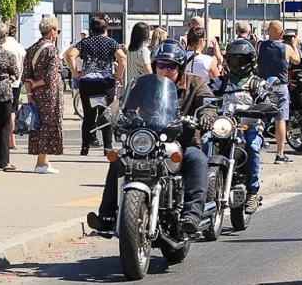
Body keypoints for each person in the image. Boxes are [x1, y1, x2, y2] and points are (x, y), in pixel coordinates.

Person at [87, 42, 213, 239]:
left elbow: (207, 101)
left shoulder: (195, 83)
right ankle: (107, 217)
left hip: (182, 142)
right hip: (147, 141)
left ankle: (191, 216)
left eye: (171, 66)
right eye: (161, 65)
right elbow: (123, 102)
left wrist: (206, 115)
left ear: (179, 67)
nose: (165, 70)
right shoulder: (143, 84)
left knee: (198, 160)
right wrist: (109, 113)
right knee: (118, 160)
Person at [206, 36, 269, 207]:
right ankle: (200, 186)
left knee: (253, 146)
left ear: (250, 61)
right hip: (224, 127)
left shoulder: (256, 83)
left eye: (241, 59)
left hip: (248, 127)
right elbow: (205, 95)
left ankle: (253, 193)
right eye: (233, 59)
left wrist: (264, 108)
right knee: (204, 141)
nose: (237, 63)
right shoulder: (220, 82)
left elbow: (269, 101)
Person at [67, 15, 127, 154]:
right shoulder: (111, 43)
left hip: (87, 83)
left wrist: (75, 73)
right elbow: (122, 58)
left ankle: (85, 146)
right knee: (106, 114)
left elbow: (70, 55)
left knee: (88, 115)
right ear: (105, 28)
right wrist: (118, 75)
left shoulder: (84, 43)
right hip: (106, 83)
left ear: (91, 29)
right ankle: (107, 147)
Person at [22, 15, 65, 173]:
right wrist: (38, 83)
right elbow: (51, 76)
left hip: (36, 94)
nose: (57, 33)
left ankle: (45, 161)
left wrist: (30, 94)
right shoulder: (52, 50)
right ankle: (41, 163)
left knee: (38, 125)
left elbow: (26, 75)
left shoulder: (32, 48)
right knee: (49, 124)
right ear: (52, 31)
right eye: (57, 30)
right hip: (50, 94)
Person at [258, 20, 301, 164]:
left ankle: (255, 150)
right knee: (280, 119)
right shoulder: (286, 48)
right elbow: (297, 60)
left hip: (263, 85)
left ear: (268, 31)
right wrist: (295, 45)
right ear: (280, 33)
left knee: (258, 116)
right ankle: (280, 154)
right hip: (280, 86)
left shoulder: (260, 45)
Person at [0, 23, 21, 170]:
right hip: (3, 92)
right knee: (3, 125)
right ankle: (3, 160)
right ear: (3, 38)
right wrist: (10, 78)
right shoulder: (6, 54)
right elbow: (16, 72)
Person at [124, 21, 153, 95]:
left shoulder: (130, 49)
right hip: (143, 88)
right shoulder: (143, 50)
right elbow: (148, 72)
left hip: (131, 87)